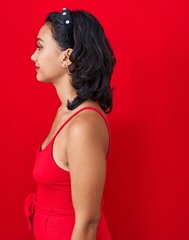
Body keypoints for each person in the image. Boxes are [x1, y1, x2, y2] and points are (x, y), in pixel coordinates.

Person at [24, 8, 116, 240]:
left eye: (40, 46)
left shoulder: (82, 126)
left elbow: (88, 222)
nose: (33, 56)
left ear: (66, 56)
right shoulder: (65, 113)